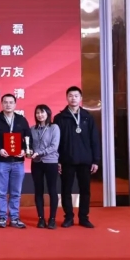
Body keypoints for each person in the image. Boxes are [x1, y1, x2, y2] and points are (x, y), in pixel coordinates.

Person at [53, 86, 100, 228]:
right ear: (66, 98)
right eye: (70, 96)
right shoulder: (60, 118)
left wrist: (95, 160)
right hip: (66, 160)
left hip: (85, 160)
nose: (73, 98)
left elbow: (94, 139)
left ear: (80, 98)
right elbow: (56, 141)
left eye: (76, 96)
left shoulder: (87, 117)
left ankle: (84, 217)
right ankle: (68, 217)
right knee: (66, 190)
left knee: (85, 190)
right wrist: (58, 160)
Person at [0, 93, 32, 229]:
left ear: (15, 104)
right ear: (1, 104)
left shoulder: (21, 120)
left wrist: (24, 150)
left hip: (18, 162)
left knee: (16, 192)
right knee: (1, 192)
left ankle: (14, 217)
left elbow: (28, 138)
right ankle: (2, 217)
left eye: (11, 102)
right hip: (1, 161)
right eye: (5, 102)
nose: (8, 104)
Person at [30, 104, 60, 229]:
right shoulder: (33, 129)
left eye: (42, 112)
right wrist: (29, 152)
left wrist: (40, 153)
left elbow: (54, 146)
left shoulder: (54, 127)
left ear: (48, 113)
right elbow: (30, 145)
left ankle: (52, 219)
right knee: (38, 191)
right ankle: (41, 218)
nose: (40, 115)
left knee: (52, 190)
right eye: (37, 113)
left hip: (51, 162)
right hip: (36, 163)